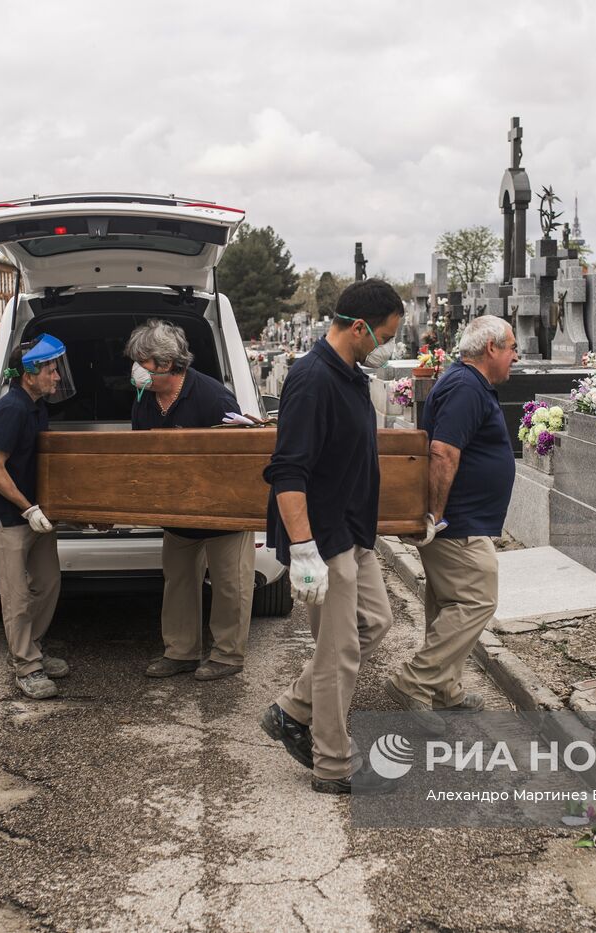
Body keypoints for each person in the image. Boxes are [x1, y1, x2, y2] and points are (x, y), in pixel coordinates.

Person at [258, 279, 403, 795]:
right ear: (359, 327)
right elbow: (288, 471)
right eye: (382, 336)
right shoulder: (312, 377)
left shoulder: (349, 374)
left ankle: (291, 707)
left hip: (353, 530)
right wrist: (302, 551)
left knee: (375, 623)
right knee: (338, 650)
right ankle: (333, 764)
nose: (382, 346)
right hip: (322, 537)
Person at [385, 315, 518, 726]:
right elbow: (443, 451)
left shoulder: (467, 382)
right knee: (477, 601)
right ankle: (415, 680)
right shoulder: (464, 385)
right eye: (512, 347)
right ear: (491, 348)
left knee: (447, 605)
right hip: (458, 522)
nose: (516, 356)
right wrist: (436, 516)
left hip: (461, 518)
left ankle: (446, 690)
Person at [127, 319, 256, 682]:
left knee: (231, 584)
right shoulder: (144, 401)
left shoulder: (214, 397)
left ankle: (228, 655)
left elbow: (236, 458)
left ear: (166, 364)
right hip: (178, 514)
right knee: (178, 581)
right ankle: (181, 652)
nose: (135, 369)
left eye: (142, 361)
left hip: (222, 515)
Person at [0, 334, 75, 699]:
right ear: (30, 374)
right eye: (51, 370)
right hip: (7, 519)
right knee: (16, 596)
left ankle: (30, 646)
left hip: (33, 515)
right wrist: (28, 508)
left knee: (48, 582)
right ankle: (27, 666)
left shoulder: (36, 406)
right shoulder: (12, 409)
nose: (58, 378)